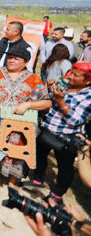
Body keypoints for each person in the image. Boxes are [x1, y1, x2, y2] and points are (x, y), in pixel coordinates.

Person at [0, 45, 49, 189]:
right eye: (10, 58)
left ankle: (12, 182)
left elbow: (46, 103)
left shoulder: (34, 80)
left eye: (16, 59)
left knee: (17, 153)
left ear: (26, 62)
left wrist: (28, 106)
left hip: (18, 126)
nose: (11, 61)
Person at [22, 61, 91, 203]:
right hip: (48, 127)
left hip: (66, 137)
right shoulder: (66, 84)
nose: (70, 76)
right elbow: (50, 101)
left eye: (75, 75)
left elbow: (75, 120)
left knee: (65, 166)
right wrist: (49, 88)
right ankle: (37, 180)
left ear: (87, 81)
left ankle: (57, 195)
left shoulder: (88, 96)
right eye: (71, 72)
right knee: (40, 155)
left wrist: (61, 101)